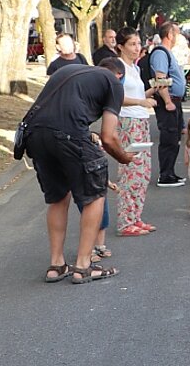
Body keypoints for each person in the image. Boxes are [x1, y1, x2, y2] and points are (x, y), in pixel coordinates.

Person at [20, 58, 135, 283]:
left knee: (58, 198)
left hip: (34, 135)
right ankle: (83, 266)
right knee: (95, 195)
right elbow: (109, 137)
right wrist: (124, 158)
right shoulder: (113, 83)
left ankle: (56, 265)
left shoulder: (69, 71)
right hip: (69, 133)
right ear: (119, 75)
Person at [114, 27, 159, 237]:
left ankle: (135, 216)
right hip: (128, 120)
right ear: (121, 46)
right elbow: (116, 96)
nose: (137, 48)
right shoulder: (119, 68)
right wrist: (142, 101)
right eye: (132, 44)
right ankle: (125, 221)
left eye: (138, 43)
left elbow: (139, 93)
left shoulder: (136, 68)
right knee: (130, 171)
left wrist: (153, 90)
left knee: (143, 172)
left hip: (141, 118)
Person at [151, 21, 188, 188]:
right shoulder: (160, 53)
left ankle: (170, 173)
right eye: (177, 34)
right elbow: (160, 78)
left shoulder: (167, 53)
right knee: (169, 137)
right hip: (169, 100)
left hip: (174, 100)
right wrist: (167, 101)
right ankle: (165, 175)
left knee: (174, 138)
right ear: (170, 35)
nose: (179, 38)